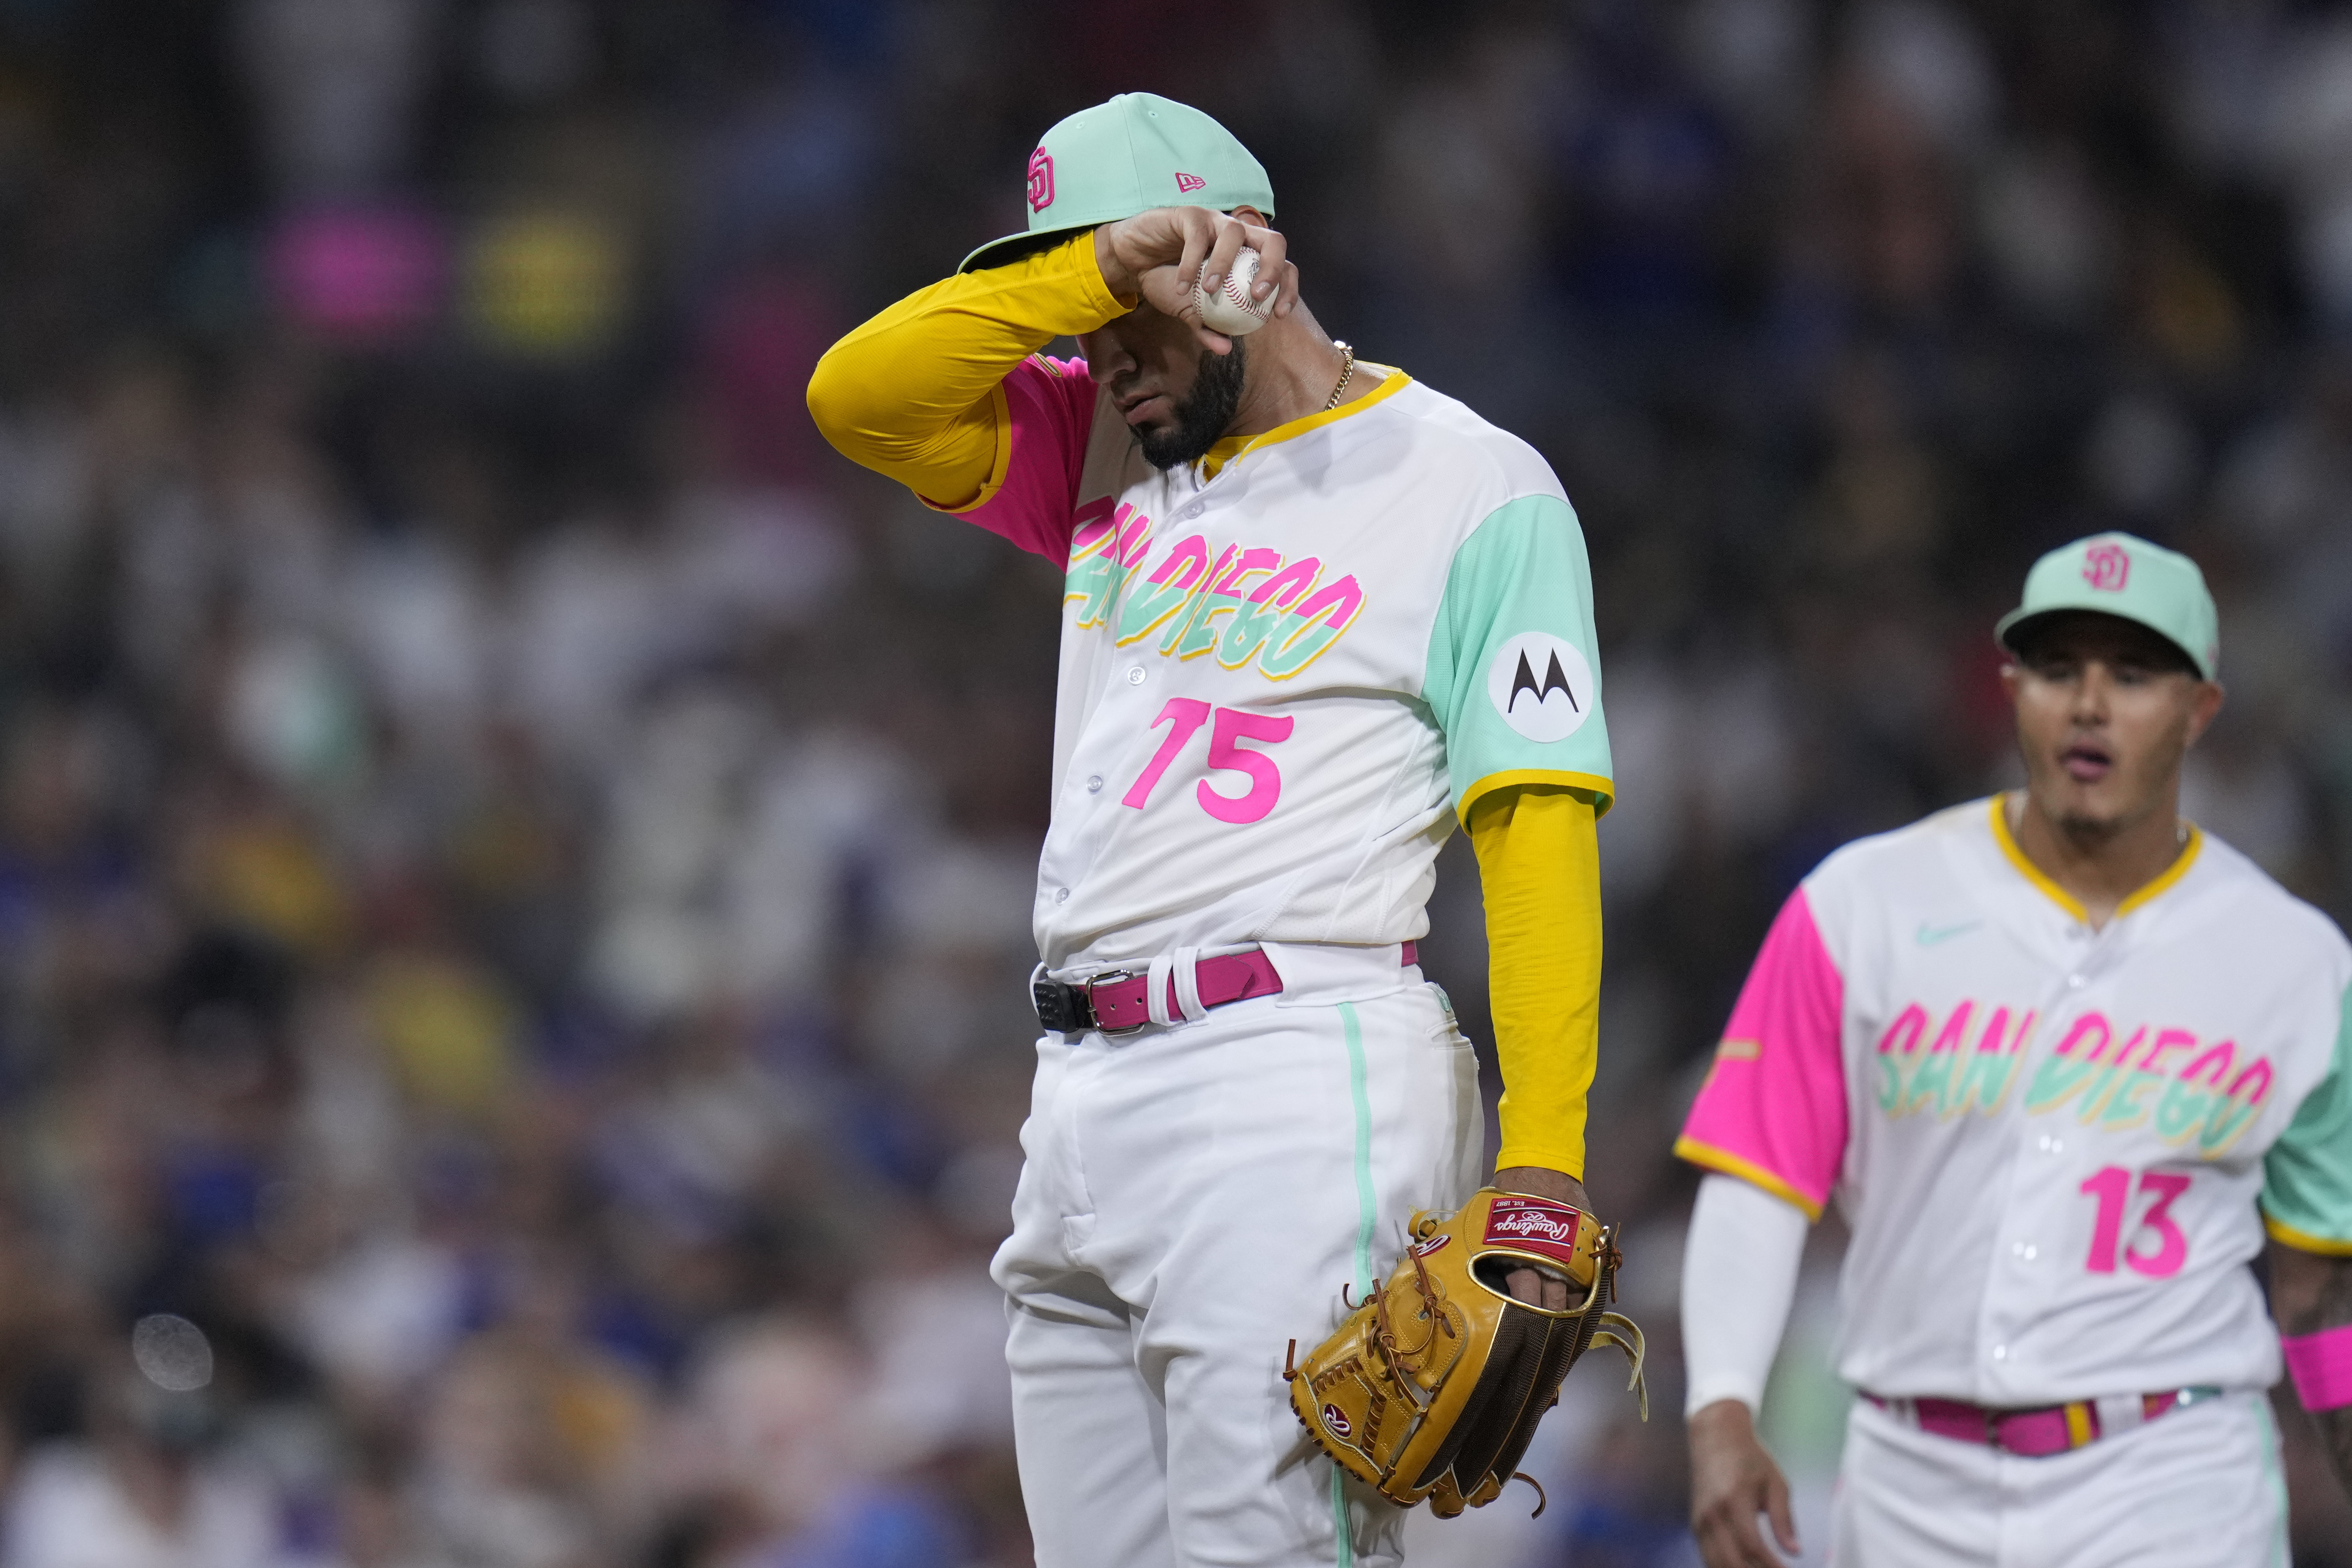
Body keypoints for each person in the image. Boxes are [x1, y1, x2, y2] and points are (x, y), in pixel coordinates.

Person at [807, 93, 1616, 1566]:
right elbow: (856, 397)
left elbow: (1538, 823)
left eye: (1139, 309)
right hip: (1075, 1097)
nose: (1104, 354)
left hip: (1297, 1070)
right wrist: (1105, 274)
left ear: (1252, 261)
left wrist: (1545, 1154)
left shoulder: (1472, 480)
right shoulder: (1108, 445)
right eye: (1087, 308)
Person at [1673, 531, 2352, 1566]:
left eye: (2132, 674)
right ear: (2011, 689)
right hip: (1906, 1479)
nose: (2089, 703)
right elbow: (1759, 1177)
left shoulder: (2299, 965)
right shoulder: (1861, 904)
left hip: (2171, 1478)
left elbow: (2320, 1283)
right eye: (2056, 668)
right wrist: (1721, 1407)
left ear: (2200, 709)